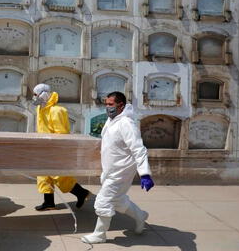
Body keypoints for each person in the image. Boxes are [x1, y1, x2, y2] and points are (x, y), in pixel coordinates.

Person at [81, 91, 155, 244]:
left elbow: (138, 149)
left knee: (103, 201)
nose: (107, 107)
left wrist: (145, 174)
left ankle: (100, 235)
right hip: (111, 169)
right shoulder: (112, 120)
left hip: (121, 170)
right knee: (118, 200)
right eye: (106, 104)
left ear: (121, 106)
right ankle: (140, 216)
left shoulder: (126, 123)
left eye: (110, 104)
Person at [32, 83, 91, 211]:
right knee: (43, 176)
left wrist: (56, 149)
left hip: (55, 149)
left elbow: (61, 133)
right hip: (44, 148)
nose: (34, 97)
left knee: (59, 176)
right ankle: (49, 203)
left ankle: (82, 193)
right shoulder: (41, 109)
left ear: (43, 94)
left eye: (36, 94)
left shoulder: (57, 110)